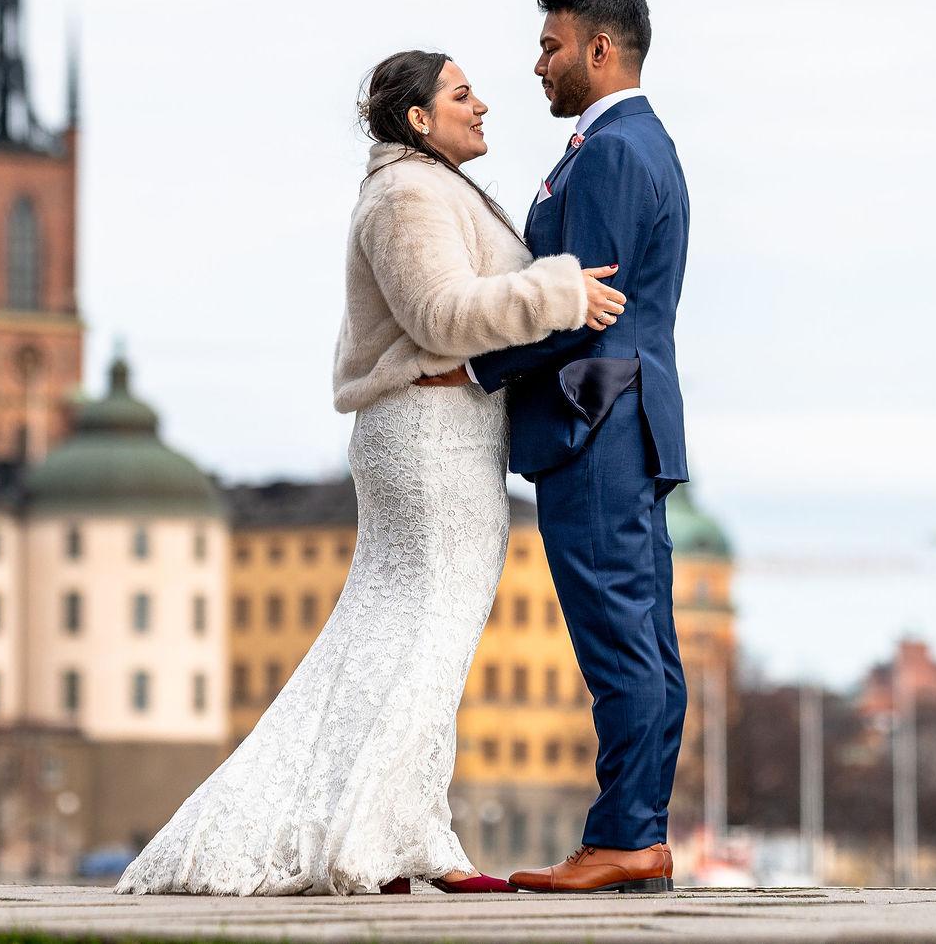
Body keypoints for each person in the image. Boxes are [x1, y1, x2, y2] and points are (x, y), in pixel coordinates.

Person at [112, 49, 624, 896]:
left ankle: (400, 838)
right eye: (463, 94)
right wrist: (558, 293)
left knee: (403, 639)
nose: (484, 105)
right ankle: (372, 842)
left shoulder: (427, 187)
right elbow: (439, 313)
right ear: (418, 119)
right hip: (429, 437)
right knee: (424, 639)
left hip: (442, 433)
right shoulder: (406, 193)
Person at [429, 0, 691, 894]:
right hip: (625, 416)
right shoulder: (635, 144)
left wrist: (470, 370)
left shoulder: (613, 153)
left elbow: (582, 306)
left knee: (621, 641)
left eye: (550, 46)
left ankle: (625, 836)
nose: (538, 64)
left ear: (599, 50)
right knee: (646, 639)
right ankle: (638, 835)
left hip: (593, 418)